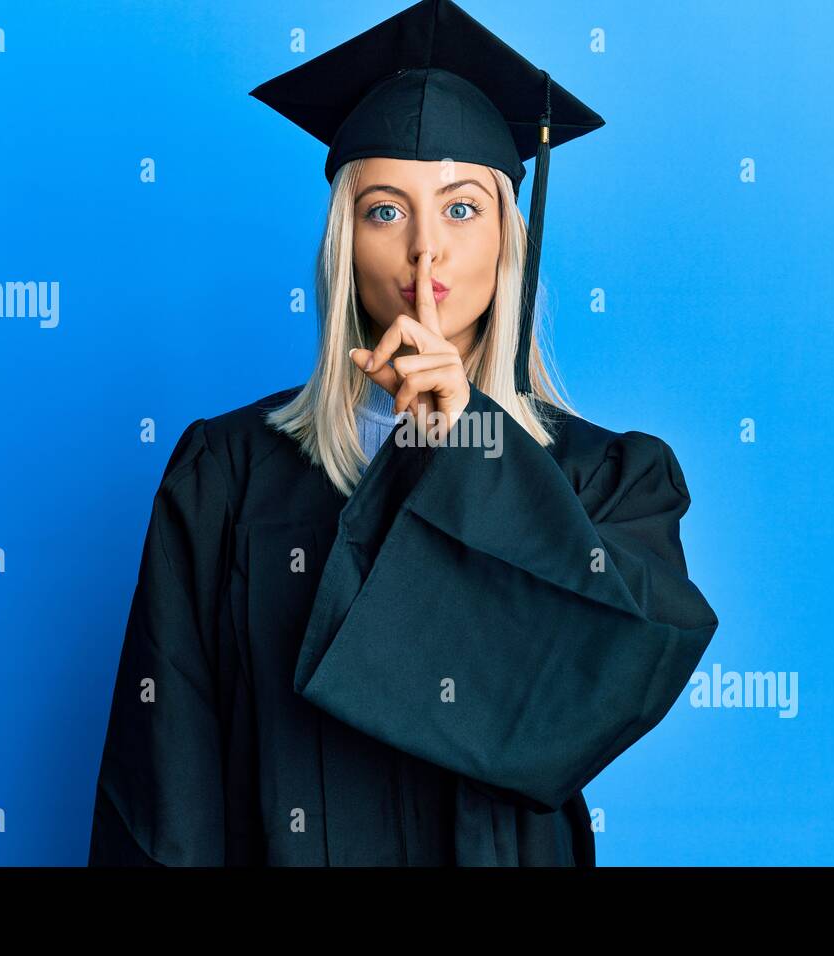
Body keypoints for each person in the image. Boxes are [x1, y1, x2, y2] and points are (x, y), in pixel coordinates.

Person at [87, 0, 719, 867]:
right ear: (345, 243)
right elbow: (166, 785)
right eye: (386, 211)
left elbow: (611, 681)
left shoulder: (604, 478)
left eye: (462, 209)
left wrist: (476, 450)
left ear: (509, 241)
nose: (427, 251)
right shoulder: (226, 475)